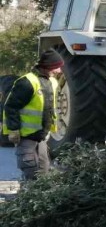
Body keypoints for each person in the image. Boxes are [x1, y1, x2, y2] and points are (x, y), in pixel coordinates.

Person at [1, 49, 63, 180]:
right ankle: (27, 196)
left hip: (41, 137)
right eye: (57, 67)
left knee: (44, 171)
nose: (59, 71)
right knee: (31, 172)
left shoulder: (53, 82)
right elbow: (10, 106)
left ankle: (38, 197)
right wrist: (13, 130)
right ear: (48, 67)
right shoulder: (27, 82)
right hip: (25, 137)